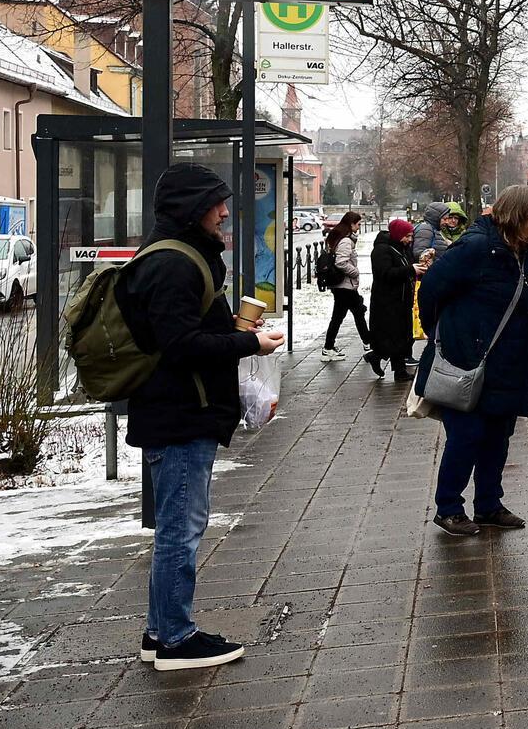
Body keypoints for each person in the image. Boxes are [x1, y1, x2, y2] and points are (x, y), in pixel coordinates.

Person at [122, 164, 284, 671]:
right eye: (215, 202)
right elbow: (180, 344)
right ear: (192, 207)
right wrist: (247, 342)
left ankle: (159, 631)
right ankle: (176, 638)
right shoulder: (172, 264)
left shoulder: (175, 256)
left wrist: (232, 328)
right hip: (179, 413)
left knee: (178, 524)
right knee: (181, 527)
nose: (223, 211)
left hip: (177, 410)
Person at [418, 186, 528, 534]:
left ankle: (489, 505)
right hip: (470, 361)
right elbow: (430, 288)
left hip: (510, 362)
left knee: (497, 439)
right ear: (519, 214)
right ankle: (449, 508)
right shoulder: (475, 248)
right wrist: (446, 338)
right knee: (466, 437)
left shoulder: (527, 251)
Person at [367, 218, 419, 381]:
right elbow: (385, 273)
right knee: (392, 336)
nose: (410, 240)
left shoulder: (402, 248)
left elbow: (407, 267)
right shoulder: (382, 250)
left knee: (402, 336)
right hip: (387, 301)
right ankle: (381, 359)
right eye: (407, 236)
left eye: (411, 236)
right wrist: (410, 269)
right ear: (398, 235)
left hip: (402, 300)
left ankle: (398, 370)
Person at [320, 211, 368, 361]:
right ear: (351, 224)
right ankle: (368, 343)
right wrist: (355, 272)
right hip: (345, 285)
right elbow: (341, 262)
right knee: (356, 314)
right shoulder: (346, 241)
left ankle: (329, 347)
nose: (359, 227)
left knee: (344, 315)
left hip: (341, 285)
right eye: (358, 224)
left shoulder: (339, 238)